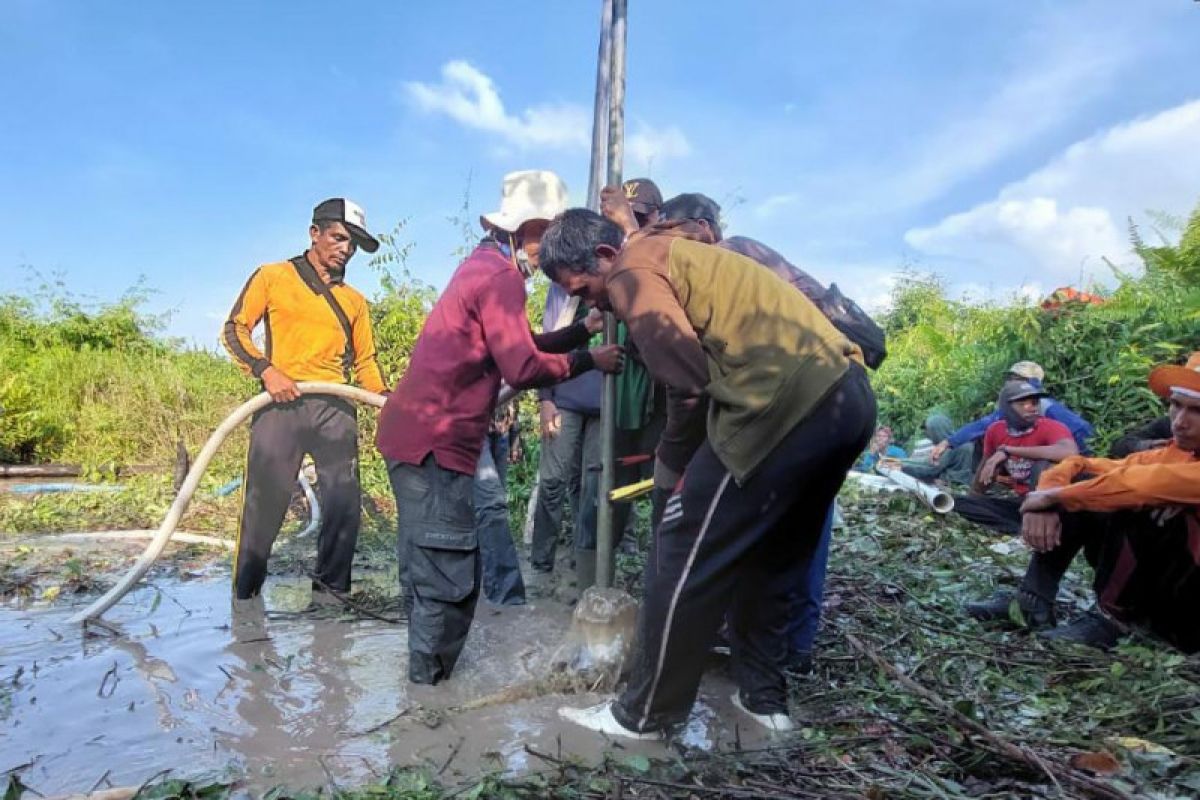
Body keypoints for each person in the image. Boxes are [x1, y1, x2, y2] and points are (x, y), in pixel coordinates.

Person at [541, 209, 876, 738]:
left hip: (781, 404)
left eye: (584, 288)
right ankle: (763, 700)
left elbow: (690, 385)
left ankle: (644, 715)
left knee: (678, 549)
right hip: (848, 397)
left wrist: (671, 465)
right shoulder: (682, 253)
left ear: (605, 255)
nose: (593, 303)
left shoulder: (632, 269)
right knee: (774, 555)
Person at [374, 171, 623, 685]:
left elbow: (516, 343)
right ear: (525, 228)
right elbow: (522, 368)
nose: (552, 247)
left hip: (417, 438)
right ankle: (428, 698)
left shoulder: (484, 265)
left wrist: (578, 332)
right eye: (547, 232)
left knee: (427, 566)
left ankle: (422, 681)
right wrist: (590, 359)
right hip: (434, 443)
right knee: (446, 572)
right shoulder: (500, 276)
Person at [966, 352, 1200, 652]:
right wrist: (1048, 496)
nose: (1179, 422)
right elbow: (1086, 464)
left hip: (1189, 613)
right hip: (1164, 586)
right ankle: (1032, 600)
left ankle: (1117, 620)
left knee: (1132, 501)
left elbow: (1137, 484)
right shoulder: (1177, 452)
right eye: (1176, 406)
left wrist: (1051, 496)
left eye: (1196, 411)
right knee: (1086, 485)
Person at [222, 198, 388, 600]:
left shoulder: (354, 302)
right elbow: (235, 330)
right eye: (339, 238)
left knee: (344, 506)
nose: (345, 249)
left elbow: (365, 361)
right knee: (264, 507)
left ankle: (330, 601)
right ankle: (246, 598)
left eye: (353, 243)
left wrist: (385, 400)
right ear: (315, 234)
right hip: (281, 404)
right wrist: (266, 370)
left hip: (335, 407)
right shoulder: (273, 276)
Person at [529, 282, 603, 588]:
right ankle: (541, 563)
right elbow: (547, 342)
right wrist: (545, 398)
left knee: (593, 485)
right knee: (553, 480)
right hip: (565, 399)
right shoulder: (561, 288)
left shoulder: (619, 282)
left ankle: (585, 557)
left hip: (605, 402)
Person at [952, 381, 1078, 535]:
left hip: (1053, 503)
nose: (1032, 407)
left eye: (1034, 402)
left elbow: (1070, 452)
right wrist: (974, 499)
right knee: (958, 502)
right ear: (1007, 408)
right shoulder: (996, 431)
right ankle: (1020, 530)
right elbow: (984, 474)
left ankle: (1041, 526)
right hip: (1024, 502)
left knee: (1044, 465)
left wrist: (1008, 450)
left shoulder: (1051, 427)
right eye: (1023, 403)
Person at [930, 361, 1094, 460]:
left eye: (1015, 379)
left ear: (1032, 383)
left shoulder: (1047, 407)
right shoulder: (1012, 405)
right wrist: (949, 442)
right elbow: (982, 425)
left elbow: (1081, 430)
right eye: (1009, 379)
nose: (1009, 383)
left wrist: (1085, 459)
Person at [475, 403, 525, 606]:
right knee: (491, 504)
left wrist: (515, 433)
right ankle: (507, 600)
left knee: (491, 508)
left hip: (501, 423)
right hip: (470, 422)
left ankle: (484, 596)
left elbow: (513, 378)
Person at [901, 412, 975, 487]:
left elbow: (931, 469)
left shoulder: (952, 447)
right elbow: (926, 462)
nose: (928, 435)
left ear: (938, 430)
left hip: (957, 488)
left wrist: (903, 467)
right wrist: (901, 461)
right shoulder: (962, 442)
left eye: (930, 431)